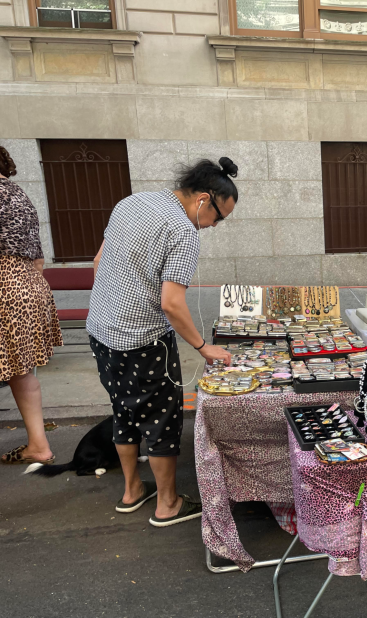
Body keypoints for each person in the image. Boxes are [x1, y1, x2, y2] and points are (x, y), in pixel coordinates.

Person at [87, 158, 235, 527]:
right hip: (143, 339)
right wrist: (203, 346)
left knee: (124, 410)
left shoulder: (132, 202)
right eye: (218, 217)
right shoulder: (183, 231)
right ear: (203, 199)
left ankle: (132, 490)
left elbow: (98, 260)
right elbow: (171, 303)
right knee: (161, 420)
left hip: (101, 330)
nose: (214, 226)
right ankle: (167, 504)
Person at [0, 146, 63, 465]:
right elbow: (38, 256)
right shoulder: (18, 193)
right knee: (20, 370)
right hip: (29, 283)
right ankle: (38, 444)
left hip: (3, 282)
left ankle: (39, 445)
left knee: (14, 367)